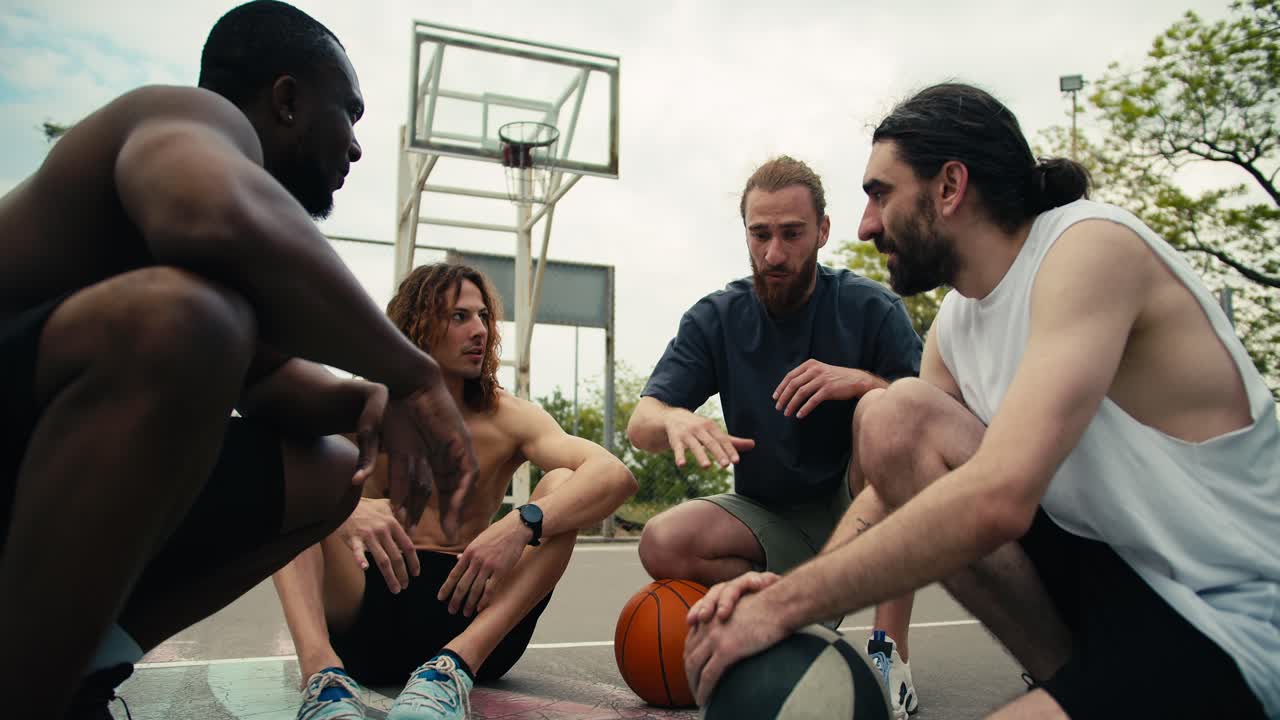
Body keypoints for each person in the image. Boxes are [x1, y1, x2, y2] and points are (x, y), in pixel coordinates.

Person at [683, 83, 1278, 719]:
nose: (866, 226)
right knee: (894, 416)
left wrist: (784, 605)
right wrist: (805, 602)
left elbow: (996, 499)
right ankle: (1069, 679)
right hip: (1111, 603)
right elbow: (894, 487)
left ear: (949, 187)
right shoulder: (957, 325)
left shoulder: (1088, 249)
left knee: (897, 410)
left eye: (880, 193)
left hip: (1230, 620)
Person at [0, 3, 480, 718]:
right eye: (347, 113)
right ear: (286, 100)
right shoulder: (186, 116)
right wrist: (409, 375)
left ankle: (77, 662)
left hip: (38, 468)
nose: (354, 149)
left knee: (329, 467)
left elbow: (261, 383)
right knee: (187, 320)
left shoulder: (243, 269)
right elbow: (209, 213)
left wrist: (362, 400)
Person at [627, 156, 925, 717]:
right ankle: (792, 614)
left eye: (791, 234)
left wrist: (863, 384)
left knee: (886, 413)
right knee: (661, 541)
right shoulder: (717, 316)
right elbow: (642, 422)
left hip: (857, 504)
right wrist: (673, 418)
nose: (774, 253)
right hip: (765, 512)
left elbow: (930, 416)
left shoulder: (870, 308)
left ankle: (889, 655)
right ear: (745, 232)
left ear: (823, 232)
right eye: (760, 234)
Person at [274, 262, 638, 720]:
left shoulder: (509, 415)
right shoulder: (365, 403)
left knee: (563, 487)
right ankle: (321, 677)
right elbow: (283, 465)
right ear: (417, 324)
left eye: (483, 316)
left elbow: (613, 475)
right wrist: (345, 512)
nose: (480, 330)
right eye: (459, 317)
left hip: (470, 615)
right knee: (296, 494)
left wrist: (521, 524)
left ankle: (449, 672)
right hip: (368, 609)